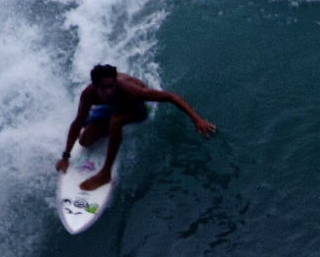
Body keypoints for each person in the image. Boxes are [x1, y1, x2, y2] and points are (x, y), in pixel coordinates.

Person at [56, 64, 215, 191]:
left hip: (138, 107)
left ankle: (105, 173)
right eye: (103, 88)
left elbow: (169, 96)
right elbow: (77, 123)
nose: (109, 91)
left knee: (115, 122)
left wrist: (196, 119)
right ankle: (103, 126)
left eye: (111, 86)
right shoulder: (88, 95)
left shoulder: (130, 90)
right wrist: (66, 156)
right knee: (84, 140)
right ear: (95, 86)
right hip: (114, 107)